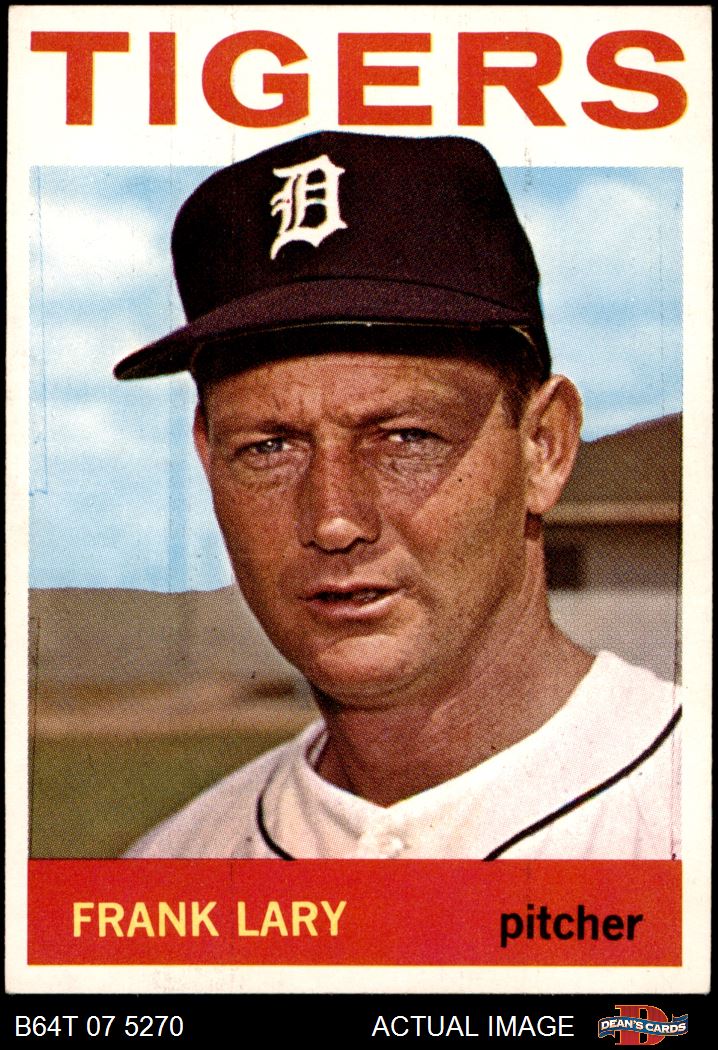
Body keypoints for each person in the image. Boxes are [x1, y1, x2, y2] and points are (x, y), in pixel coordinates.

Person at [115, 131, 681, 860]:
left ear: (543, 446)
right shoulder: (170, 870)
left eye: (406, 437)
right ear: (208, 455)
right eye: (270, 446)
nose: (334, 519)